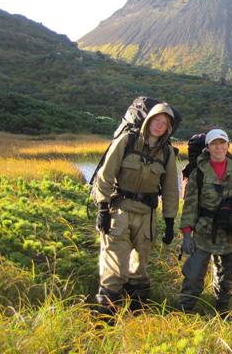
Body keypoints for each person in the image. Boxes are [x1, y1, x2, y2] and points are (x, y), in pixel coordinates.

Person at [93, 103, 179, 314]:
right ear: (149, 120)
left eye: (164, 123)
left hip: (146, 217)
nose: (159, 125)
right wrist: (103, 209)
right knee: (114, 270)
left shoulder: (167, 153)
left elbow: (170, 190)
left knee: (139, 270)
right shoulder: (127, 141)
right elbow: (105, 176)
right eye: (157, 120)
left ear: (169, 128)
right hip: (119, 212)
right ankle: (103, 324)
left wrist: (169, 221)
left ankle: (136, 318)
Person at [179, 129, 232, 314]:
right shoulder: (199, 172)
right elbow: (190, 205)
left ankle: (222, 310)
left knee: (225, 277)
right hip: (204, 231)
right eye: (214, 143)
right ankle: (185, 311)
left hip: (230, 232)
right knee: (193, 274)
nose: (218, 147)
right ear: (208, 147)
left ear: (228, 145)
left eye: (222, 143)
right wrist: (187, 234)